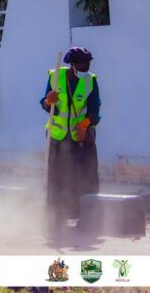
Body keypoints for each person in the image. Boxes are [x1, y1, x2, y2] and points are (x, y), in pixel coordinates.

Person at [40, 46, 101, 235]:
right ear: (73, 65)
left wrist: (84, 125)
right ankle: (57, 218)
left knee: (85, 178)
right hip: (57, 138)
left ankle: (86, 217)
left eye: (87, 64)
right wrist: (48, 101)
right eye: (82, 65)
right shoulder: (55, 76)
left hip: (80, 139)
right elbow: (45, 104)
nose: (85, 68)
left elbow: (94, 109)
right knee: (57, 179)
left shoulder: (91, 81)